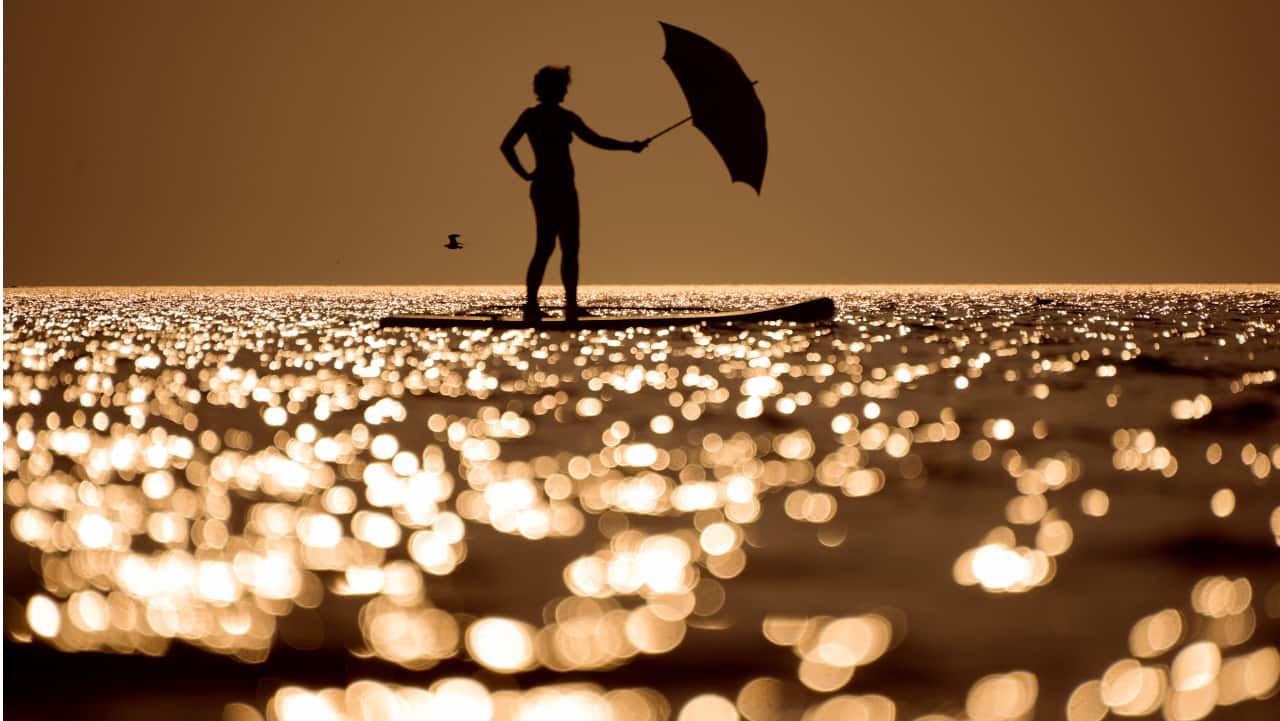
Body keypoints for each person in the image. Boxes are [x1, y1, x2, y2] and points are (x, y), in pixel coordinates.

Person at [501, 65, 648, 321]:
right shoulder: (560, 117)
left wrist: (525, 174)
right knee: (556, 247)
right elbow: (596, 140)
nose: (565, 91)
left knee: (554, 247)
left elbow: (507, 146)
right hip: (556, 189)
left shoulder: (538, 116)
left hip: (553, 188)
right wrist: (630, 146)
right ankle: (549, 306)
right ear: (552, 88)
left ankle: (551, 305)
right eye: (562, 87)